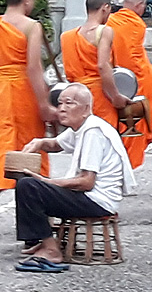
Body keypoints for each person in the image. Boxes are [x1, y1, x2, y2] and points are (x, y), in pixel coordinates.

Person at [14, 83, 135, 272]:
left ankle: (51, 250)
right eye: (60, 103)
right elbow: (56, 144)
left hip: (97, 200)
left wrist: (46, 182)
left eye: (69, 103)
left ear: (86, 109)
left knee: (29, 187)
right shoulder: (81, 126)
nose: (62, 108)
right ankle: (42, 240)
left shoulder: (92, 131)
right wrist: (39, 142)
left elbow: (86, 182)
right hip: (90, 196)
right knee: (26, 181)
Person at [0, 0, 57, 235]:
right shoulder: (31, 26)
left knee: (1, 151)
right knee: (31, 151)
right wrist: (43, 103)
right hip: (23, 92)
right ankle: (44, 212)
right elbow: (33, 67)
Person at [106, 0, 152, 168]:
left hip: (116, 78)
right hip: (137, 80)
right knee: (139, 122)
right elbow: (135, 59)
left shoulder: (110, 21)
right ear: (139, 5)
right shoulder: (137, 24)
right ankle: (130, 162)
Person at [60, 0, 130, 131]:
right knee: (102, 137)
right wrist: (115, 96)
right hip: (99, 96)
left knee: (82, 138)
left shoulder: (67, 36)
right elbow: (103, 66)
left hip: (77, 97)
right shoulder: (104, 31)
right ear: (105, 8)